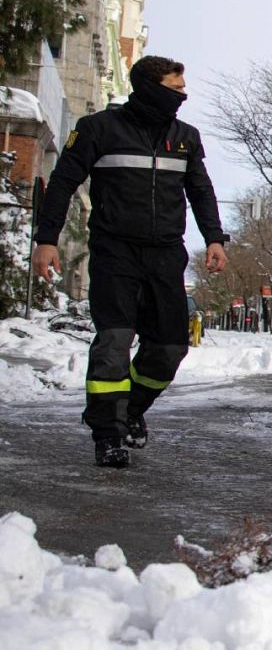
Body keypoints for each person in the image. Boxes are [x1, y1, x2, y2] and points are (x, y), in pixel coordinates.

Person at [32, 55, 229, 468]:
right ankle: (108, 433)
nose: (182, 96)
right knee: (114, 343)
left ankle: (131, 410)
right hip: (115, 251)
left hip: (165, 255)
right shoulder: (98, 129)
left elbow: (201, 190)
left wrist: (214, 237)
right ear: (150, 87)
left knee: (170, 348)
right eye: (175, 88)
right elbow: (63, 183)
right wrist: (46, 240)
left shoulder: (186, 137)